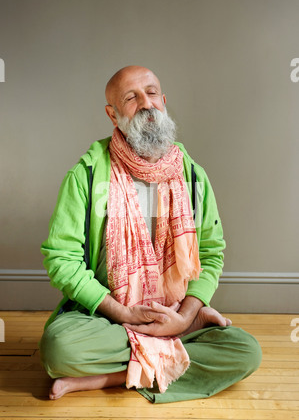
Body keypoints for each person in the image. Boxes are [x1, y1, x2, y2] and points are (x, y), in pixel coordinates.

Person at [39, 65, 262, 402]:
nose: (146, 103)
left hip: (174, 312)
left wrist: (184, 314)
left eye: (152, 92)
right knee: (60, 349)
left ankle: (109, 376)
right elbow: (62, 260)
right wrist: (125, 314)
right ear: (112, 115)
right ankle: (174, 347)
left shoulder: (192, 175)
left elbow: (211, 253)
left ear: (164, 101)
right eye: (132, 97)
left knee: (246, 352)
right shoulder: (85, 175)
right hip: (108, 317)